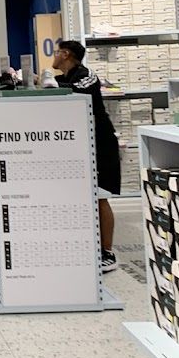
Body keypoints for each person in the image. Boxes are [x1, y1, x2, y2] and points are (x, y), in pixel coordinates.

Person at [52, 39, 120, 273]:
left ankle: (107, 253)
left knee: (100, 197)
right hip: (80, 143)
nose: (54, 56)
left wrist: (51, 85)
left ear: (66, 54)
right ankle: (89, 246)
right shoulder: (64, 77)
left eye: (56, 52)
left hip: (101, 144)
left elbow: (79, 90)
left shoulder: (86, 75)